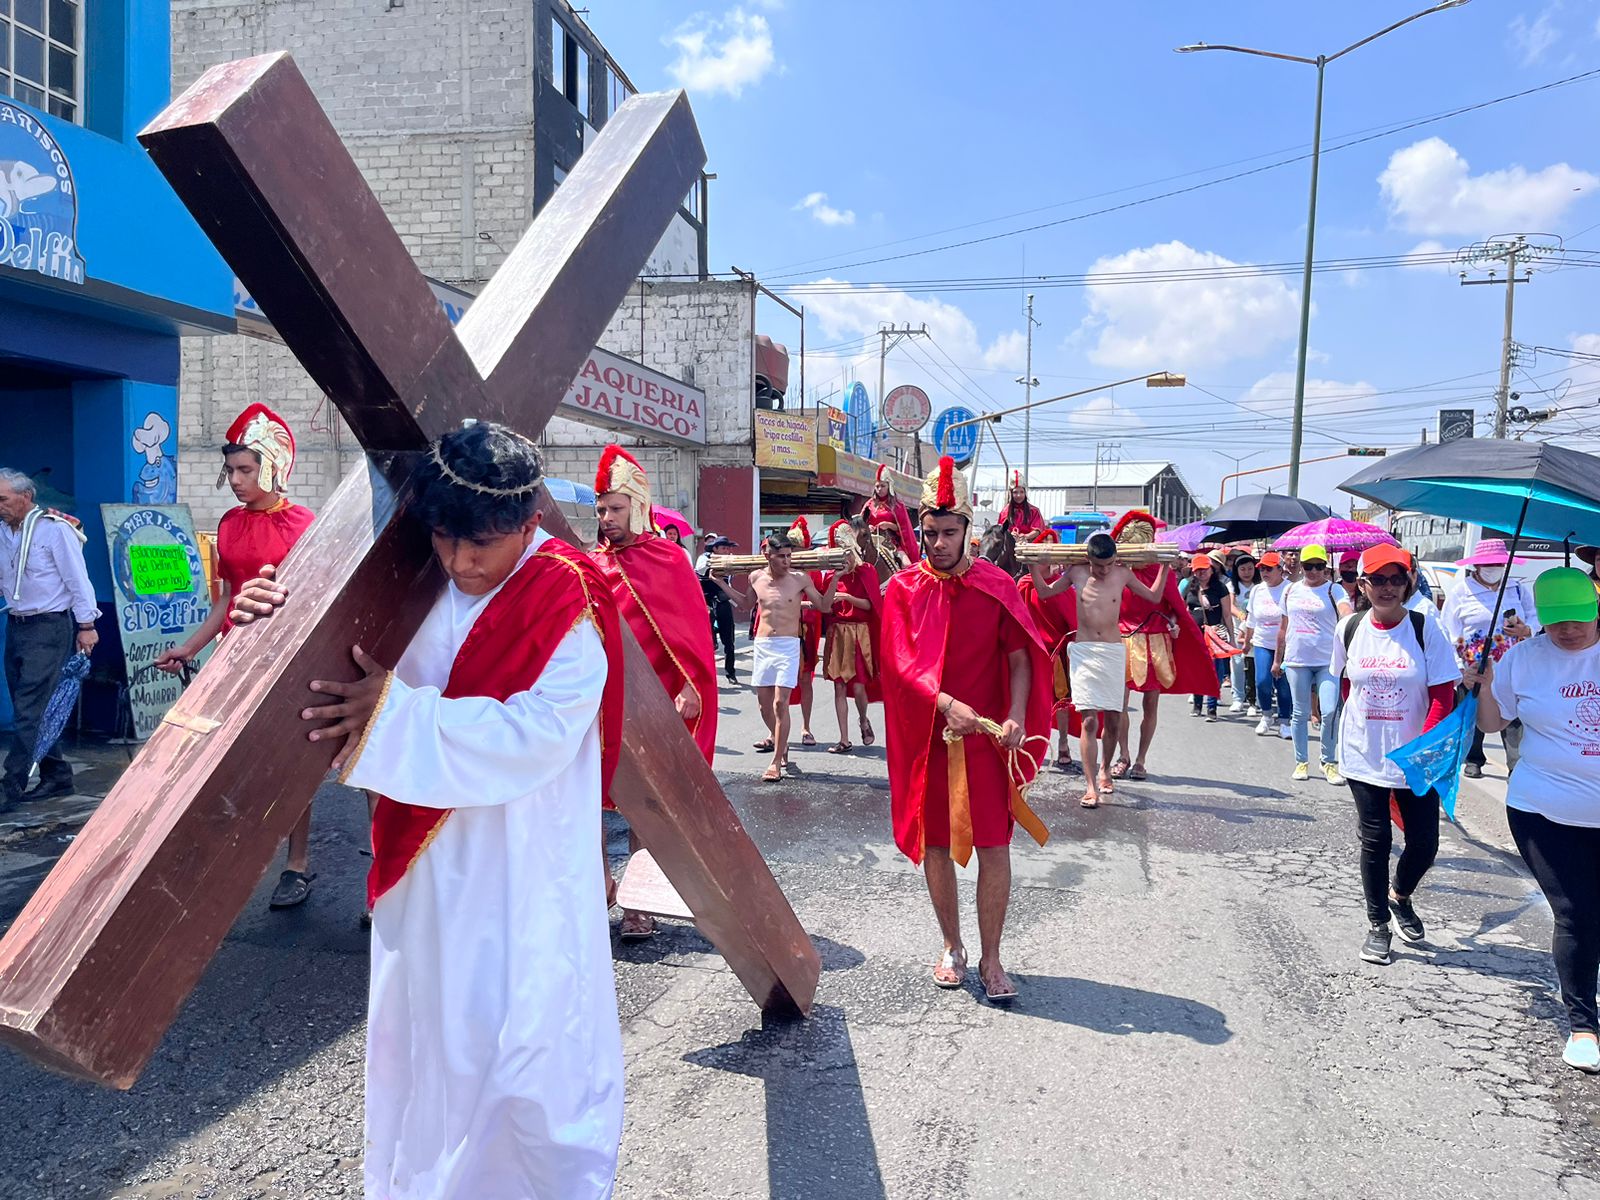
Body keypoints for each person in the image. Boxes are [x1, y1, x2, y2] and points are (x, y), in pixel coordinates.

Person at [231, 420, 627, 1197]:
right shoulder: (406, 574)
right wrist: (264, 618)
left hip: (523, 862)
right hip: (423, 863)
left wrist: (396, 718)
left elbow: (538, 734)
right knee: (428, 1048)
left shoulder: (566, 593)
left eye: (483, 544)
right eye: (446, 539)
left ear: (528, 522)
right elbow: (322, 659)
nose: (461, 562)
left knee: (525, 1057)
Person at [880, 456, 1052, 1002]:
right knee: (935, 843)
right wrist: (944, 701)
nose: (938, 543)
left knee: (995, 846)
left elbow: (1022, 656)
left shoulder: (995, 585)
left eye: (949, 533)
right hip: (930, 739)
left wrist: (1017, 715)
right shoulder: (903, 590)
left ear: (966, 531)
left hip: (986, 741)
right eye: (930, 533)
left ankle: (993, 957)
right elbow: (899, 663)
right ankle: (952, 945)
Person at [156, 405, 319, 909]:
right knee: (240, 762)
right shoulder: (227, 524)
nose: (234, 480)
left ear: (275, 465)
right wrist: (189, 647)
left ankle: (298, 864)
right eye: (230, 470)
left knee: (297, 762)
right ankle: (226, 860)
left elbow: (313, 599)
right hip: (233, 658)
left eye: (245, 469)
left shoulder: (307, 524)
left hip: (288, 659)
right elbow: (226, 600)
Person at [1462, 568, 1600, 1074]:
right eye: (1558, 621)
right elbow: (1493, 724)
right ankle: (1584, 1023)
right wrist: (1484, 684)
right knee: (1576, 911)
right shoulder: (1523, 658)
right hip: (1544, 808)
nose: (1569, 630)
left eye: (1580, 618)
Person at [591, 445, 718, 941]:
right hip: (602, 701)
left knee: (645, 804)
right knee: (593, 799)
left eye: (615, 509)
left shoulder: (668, 559)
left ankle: (639, 904)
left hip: (657, 700)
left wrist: (690, 686)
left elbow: (689, 630)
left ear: (638, 506)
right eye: (601, 510)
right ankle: (598, 885)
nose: (606, 519)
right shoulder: (590, 562)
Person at [1330, 546, 1460, 967]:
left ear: (1408, 582)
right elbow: (1347, 686)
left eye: (1395, 579)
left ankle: (1399, 895)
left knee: (1424, 844)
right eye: (1377, 579)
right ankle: (1378, 924)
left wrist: (1420, 750)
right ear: (1362, 584)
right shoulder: (1348, 628)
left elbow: (1442, 694)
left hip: (1415, 758)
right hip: (1363, 752)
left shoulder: (1426, 628)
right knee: (1375, 839)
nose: (1387, 587)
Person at [1030, 531, 1170, 807]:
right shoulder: (1076, 573)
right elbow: (1045, 592)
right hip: (1084, 650)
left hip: (1112, 651)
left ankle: (1106, 769)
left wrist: (1165, 565)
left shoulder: (1123, 574)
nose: (1103, 571)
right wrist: (1034, 565)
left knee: (1114, 719)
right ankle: (1091, 784)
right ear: (1088, 559)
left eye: (1108, 565)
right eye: (1098, 565)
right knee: (1089, 720)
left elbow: (1154, 597)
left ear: (1115, 559)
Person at [0, 469, 98, 808]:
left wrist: (87, 625)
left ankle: (9, 787)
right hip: (16, 624)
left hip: (49, 626)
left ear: (25, 497)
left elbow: (78, 580)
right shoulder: (3, 532)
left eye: (3, 499)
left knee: (28, 710)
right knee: (31, 708)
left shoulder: (55, 530)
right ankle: (57, 774)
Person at [1109, 510, 1215, 780]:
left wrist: (1172, 621)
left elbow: (1174, 607)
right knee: (1118, 704)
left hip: (1156, 640)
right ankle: (1123, 755)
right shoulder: (1116, 569)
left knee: (1150, 705)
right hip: (1123, 639)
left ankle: (1141, 759)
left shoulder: (1162, 571)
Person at [1442, 539, 1538, 779]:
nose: (1493, 568)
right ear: (1477, 566)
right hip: (1475, 666)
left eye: (1498, 563)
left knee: (1513, 717)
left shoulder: (1515, 589)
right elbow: (1448, 632)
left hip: (1511, 665)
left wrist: (1527, 631)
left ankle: (1516, 764)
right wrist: (1459, 670)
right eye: (1488, 564)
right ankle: (1474, 759)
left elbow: (1536, 618)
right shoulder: (1461, 591)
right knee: (1475, 713)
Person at [748, 533, 838, 782]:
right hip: (763, 644)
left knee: (780, 703)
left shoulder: (800, 578)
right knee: (763, 705)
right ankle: (781, 742)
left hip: (788, 645)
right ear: (768, 555)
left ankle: (776, 761)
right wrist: (721, 583)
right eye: (781, 556)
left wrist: (835, 579)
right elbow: (746, 604)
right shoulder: (755, 577)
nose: (787, 561)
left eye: (789, 556)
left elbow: (823, 606)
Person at [1275, 542, 1354, 784]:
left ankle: (1328, 762)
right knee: (1300, 713)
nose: (1313, 571)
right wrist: (1277, 659)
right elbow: (1283, 628)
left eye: (1319, 566)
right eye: (1309, 566)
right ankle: (1301, 762)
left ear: (1326, 568)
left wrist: (1348, 618)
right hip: (1297, 660)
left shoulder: (1335, 591)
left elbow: (1345, 612)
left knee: (1330, 711)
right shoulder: (1290, 591)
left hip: (1328, 661)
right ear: (1301, 566)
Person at [1017, 536, 1081, 775]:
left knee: (1061, 701)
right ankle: (1026, 742)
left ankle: (1063, 745)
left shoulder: (1060, 586)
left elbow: (1073, 623)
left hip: (1057, 652)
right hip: (1030, 652)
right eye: (1041, 557)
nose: (1047, 561)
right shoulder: (1023, 584)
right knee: (1026, 699)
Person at [820, 520, 880, 755]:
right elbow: (825, 607)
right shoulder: (831, 576)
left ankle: (863, 720)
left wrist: (847, 597)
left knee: (858, 689)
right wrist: (836, 580)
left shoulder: (867, 571)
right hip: (837, 632)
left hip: (859, 633)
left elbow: (870, 605)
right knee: (838, 686)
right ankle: (844, 739)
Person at [1243, 552, 1294, 739]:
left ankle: (1284, 721)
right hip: (1263, 642)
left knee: (1283, 684)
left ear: (1280, 570)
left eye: (1269, 568)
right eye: (1262, 569)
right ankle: (1266, 715)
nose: (1264, 572)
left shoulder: (1290, 589)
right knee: (1262, 681)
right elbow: (1251, 619)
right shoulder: (1257, 590)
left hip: (1286, 644)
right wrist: (1247, 641)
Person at [1185, 554, 1240, 722]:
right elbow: (1183, 609)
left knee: (1214, 671)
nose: (1201, 573)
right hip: (1195, 636)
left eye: (1204, 569)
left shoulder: (1220, 588)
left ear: (1211, 569)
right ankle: (1197, 703)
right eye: (1198, 570)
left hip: (1214, 635)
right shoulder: (1190, 587)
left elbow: (1227, 614)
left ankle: (1211, 707)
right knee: (1197, 670)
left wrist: (1231, 638)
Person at [696, 532, 740, 684]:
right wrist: (714, 563)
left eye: (728, 548)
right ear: (715, 549)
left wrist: (736, 602)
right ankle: (706, 674)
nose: (726, 551)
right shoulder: (704, 559)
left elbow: (728, 586)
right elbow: (700, 570)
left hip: (723, 603)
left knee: (729, 640)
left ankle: (731, 672)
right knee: (707, 641)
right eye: (723, 548)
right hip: (706, 605)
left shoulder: (729, 563)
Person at [1226, 551, 1261, 716]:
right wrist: (1241, 615)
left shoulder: (1260, 585)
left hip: (1255, 631)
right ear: (1236, 570)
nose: (1247, 572)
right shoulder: (1232, 586)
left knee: (1255, 666)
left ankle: (1256, 699)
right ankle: (1238, 698)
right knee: (1238, 664)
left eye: (1250, 568)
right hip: (1236, 629)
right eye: (1243, 569)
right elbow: (1230, 605)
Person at [863, 463, 920, 562]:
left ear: (889, 486)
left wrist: (889, 525)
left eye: (883, 486)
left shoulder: (897, 506)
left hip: (891, 543)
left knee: (906, 564)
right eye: (877, 486)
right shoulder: (869, 504)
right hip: (870, 542)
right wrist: (867, 527)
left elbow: (904, 529)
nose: (879, 489)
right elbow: (861, 523)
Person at [996, 471, 1047, 539]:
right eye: (1015, 492)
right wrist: (1010, 535)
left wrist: (1026, 536)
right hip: (1009, 545)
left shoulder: (1034, 511)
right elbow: (1001, 530)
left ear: (1025, 493)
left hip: (1029, 546)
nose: (1019, 495)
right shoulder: (1004, 512)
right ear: (1010, 494)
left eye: (1021, 492)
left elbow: (1038, 530)